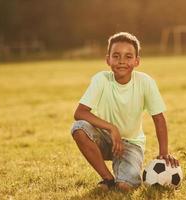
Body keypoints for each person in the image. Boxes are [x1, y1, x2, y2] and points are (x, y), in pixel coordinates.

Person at [71, 32, 179, 191]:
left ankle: (121, 179)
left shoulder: (145, 82)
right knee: (79, 128)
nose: (122, 61)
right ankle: (107, 179)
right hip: (104, 138)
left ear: (137, 61)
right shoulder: (101, 79)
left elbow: (159, 118)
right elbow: (80, 113)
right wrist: (112, 128)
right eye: (116, 56)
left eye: (128, 57)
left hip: (131, 144)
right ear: (108, 59)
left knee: (124, 187)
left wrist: (164, 153)